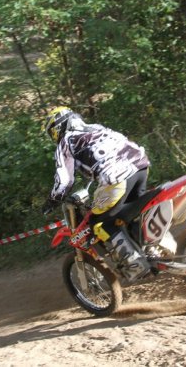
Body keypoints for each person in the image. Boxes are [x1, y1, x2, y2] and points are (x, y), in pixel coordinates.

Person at [41, 106, 151, 281]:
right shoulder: (96, 128)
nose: (53, 136)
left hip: (117, 178)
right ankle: (151, 250)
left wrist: (52, 201)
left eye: (52, 132)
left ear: (58, 127)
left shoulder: (66, 142)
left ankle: (135, 264)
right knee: (132, 214)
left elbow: (64, 181)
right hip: (141, 166)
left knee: (99, 222)